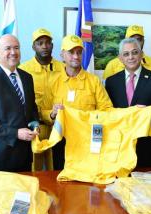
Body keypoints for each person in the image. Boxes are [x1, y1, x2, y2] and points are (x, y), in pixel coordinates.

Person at [41, 34, 113, 169]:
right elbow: (43, 111)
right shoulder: (52, 81)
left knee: (87, 183)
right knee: (61, 182)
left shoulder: (94, 81)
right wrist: (52, 114)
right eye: (71, 52)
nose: (76, 56)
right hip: (61, 141)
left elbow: (107, 109)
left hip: (87, 141)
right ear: (62, 54)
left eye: (79, 52)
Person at [0, 34, 39, 172]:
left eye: (16, 48)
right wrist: (15, 133)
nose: (13, 52)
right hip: (0, 158)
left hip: (25, 157)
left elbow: (31, 109)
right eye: (8, 48)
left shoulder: (27, 78)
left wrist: (35, 123)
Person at [105, 37, 151, 167]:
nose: (131, 57)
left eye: (135, 52)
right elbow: (108, 113)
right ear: (120, 58)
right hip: (119, 146)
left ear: (141, 54)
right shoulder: (111, 82)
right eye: (126, 54)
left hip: (146, 146)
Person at [19, 28, 65, 171]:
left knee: (56, 168)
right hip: (34, 127)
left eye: (47, 43)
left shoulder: (63, 68)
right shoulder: (23, 69)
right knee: (34, 171)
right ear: (33, 46)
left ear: (52, 45)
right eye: (40, 43)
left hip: (57, 127)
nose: (44, 46)